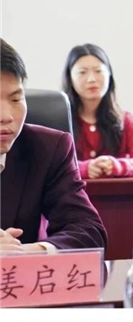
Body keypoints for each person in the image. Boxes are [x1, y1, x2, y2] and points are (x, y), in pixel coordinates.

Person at [0, 38, 107, 252]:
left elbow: (88, 231)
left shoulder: (46, 148)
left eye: (16, 100)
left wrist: (28, 252)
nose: (6, 116)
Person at [62, 43, 133, 179]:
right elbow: (49, 166)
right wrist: (83, 168)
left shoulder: (125, 119)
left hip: (119, 192)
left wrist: (117, 166)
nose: (91, 79)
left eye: (98, 71)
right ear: (70, 78)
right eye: (82, 72)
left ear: (109, 74)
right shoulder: (60, 121)